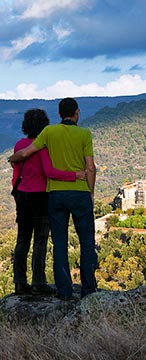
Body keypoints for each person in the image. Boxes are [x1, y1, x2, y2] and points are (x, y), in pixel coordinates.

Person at [9, 98, 98, 300]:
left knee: (56, 243)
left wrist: (13, 159)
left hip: (49, 195)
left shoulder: (46, 135)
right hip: (69, 194)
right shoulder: (84, 134)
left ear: (59, 114)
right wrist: (89, 190)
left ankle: (61, 291)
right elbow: (89, 167)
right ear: (77, 113)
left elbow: (23, 155)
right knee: (85, 242)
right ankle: (88, 290)